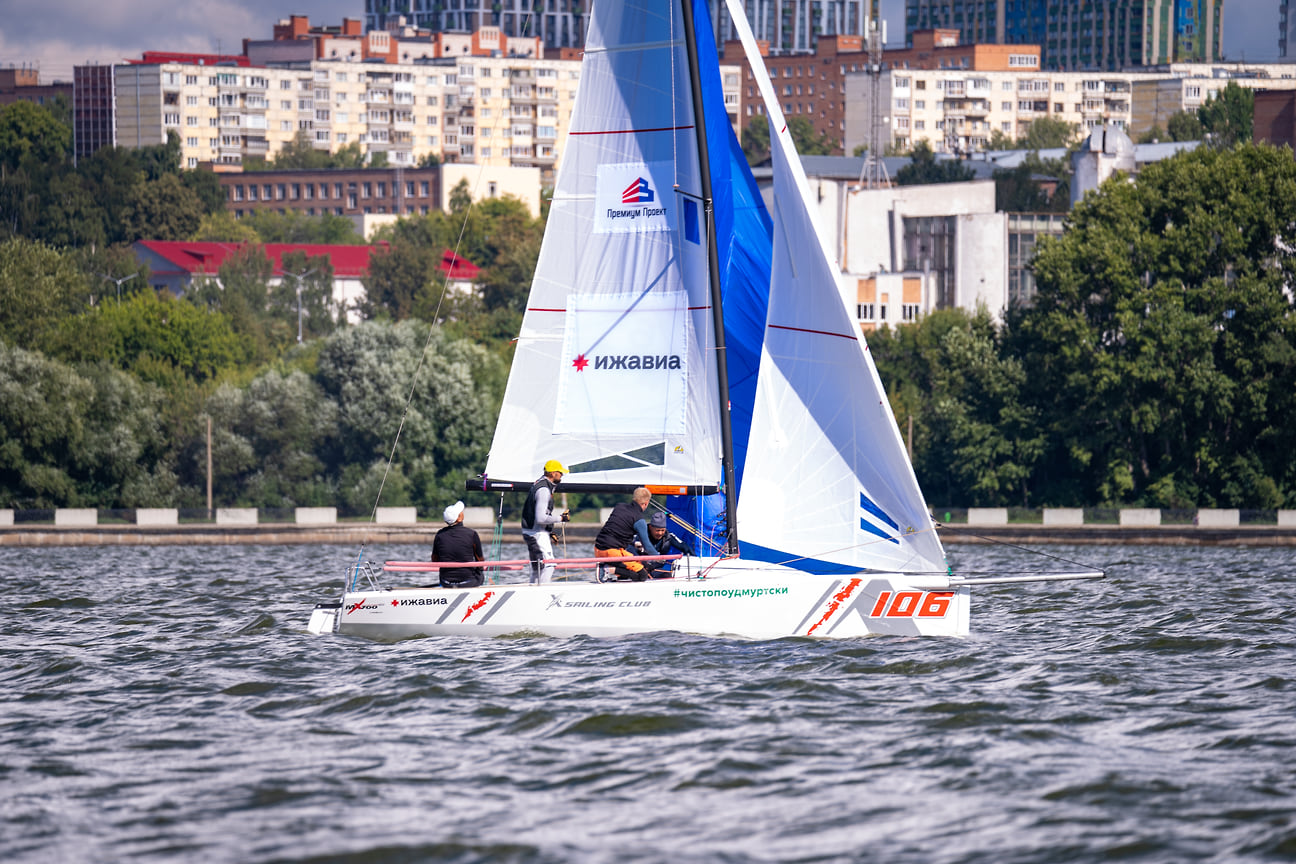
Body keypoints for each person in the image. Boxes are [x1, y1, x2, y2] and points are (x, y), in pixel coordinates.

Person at [521, 459, 569, 584]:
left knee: (538, 567)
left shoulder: (540, 484)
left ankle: (534, 591)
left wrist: (549, 531)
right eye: (560, 473)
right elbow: (541, 518)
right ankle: (542, 593)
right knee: (549, 564)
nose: (562, 475)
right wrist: (561, 518)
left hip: (532, 531)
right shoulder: (544, 490)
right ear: (553, 473)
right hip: (536, 532)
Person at [594, 487, 653, 581]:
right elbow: (648, 547)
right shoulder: (639, 520)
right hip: (611, 552)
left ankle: (608, 569)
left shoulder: (619, 506)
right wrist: (660, 558)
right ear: (646, 503)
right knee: (642, 575)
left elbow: (617, 531)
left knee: (629, 570)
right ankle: (607, 569)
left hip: (598, 549)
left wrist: (634, 543)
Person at [431, 500, 485, 588]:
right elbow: (480, 560)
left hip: (446, 582)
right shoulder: (472, 534)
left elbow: (435, 560)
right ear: (459, 518)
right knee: (480, 574)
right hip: (468, 582)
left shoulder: (439, 535)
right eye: (461, 512)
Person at [640, 510, 694, 577]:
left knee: (667, 575)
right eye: (657, 530)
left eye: (662, 530)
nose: (660, 533)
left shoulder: (668, 536)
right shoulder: (640, 535)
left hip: (656, 569)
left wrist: (695, 559)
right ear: (651, 527)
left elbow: (685, 548)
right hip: (639, 568)